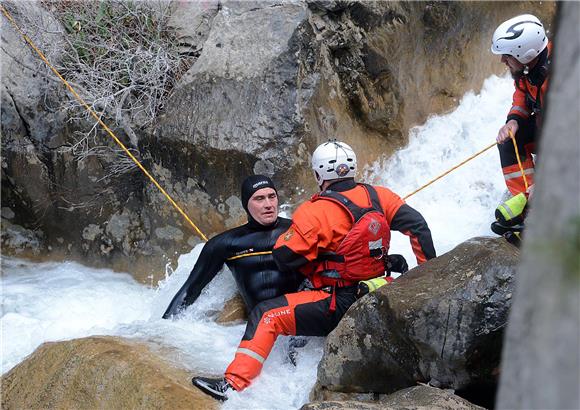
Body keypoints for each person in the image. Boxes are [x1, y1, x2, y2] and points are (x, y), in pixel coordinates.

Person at [192, 140, 436, 400]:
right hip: (380, 290)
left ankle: (233, 385)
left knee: (267, 314)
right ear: (351, 168)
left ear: (319, 174)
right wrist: (428, 278)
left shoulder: (314, 211)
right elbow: (419, 227)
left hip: (340, 302)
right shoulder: (380, 196)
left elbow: (285, 257)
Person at [162, 175, 302, 319]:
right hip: (257, 326)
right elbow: (190, 290)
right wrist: (161, 331)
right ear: (246, 204)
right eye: (259, 199)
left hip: (299, 322)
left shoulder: (298, 230)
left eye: (272, 196)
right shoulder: (226, 243)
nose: (268, 204)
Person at [489, 14, 551, 243]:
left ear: (525, 54)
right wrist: (514, 120)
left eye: (507, 57)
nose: (503, 61)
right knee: (508, 141)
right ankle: (526, 205)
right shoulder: (529, 68)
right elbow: (522, 95)